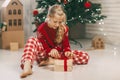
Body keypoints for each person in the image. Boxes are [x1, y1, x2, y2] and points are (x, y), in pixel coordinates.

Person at [20, 4, 89, 78]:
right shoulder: (42, 28)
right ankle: (27, 67)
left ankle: (52, 61)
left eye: (60, 22)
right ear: (49, 17)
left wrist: (67, 51)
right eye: (55, 22)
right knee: (32, 40)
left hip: (58, 54)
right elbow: (43, 44)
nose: (57, 25)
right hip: (44, 55)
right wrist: (50, 50)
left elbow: (66, 44)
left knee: (85, 56)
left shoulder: (64, 28)